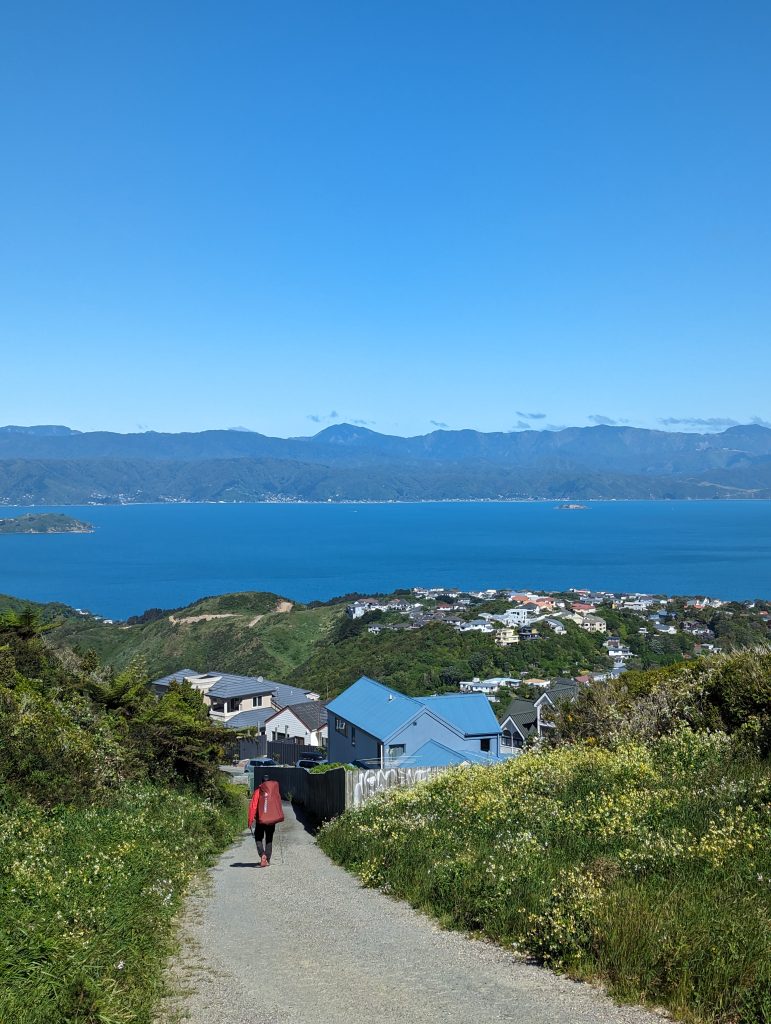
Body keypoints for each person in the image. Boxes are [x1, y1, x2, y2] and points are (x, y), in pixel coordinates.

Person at [247, 774, 284, 867]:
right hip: (271, 820)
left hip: (261, 820)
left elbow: (253, 806)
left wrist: (250, 821)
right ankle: (267, 859)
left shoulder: (258, 791)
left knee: (258, 837)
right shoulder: (274, 791)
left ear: (261, 782)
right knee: (269, 839)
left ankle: (262, 854)